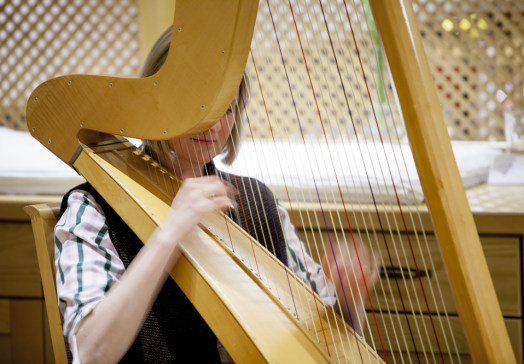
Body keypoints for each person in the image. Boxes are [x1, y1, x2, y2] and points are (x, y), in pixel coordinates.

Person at [55, 26, 379, 364]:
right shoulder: (91, 208)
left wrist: (347, 295)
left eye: (226, 109)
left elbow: (326, 327)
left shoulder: (259, 202)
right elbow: (90, 354)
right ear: (158, 104)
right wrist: (170, 232)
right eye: (198, 106)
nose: (213, 126)